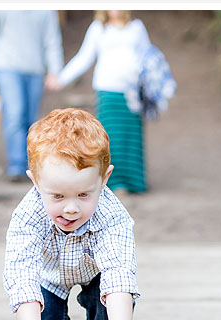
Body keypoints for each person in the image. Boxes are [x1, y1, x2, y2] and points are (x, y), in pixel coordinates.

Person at [3, 108, 140, 320]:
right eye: (56, 196)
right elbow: (21, 274)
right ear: (35, 181)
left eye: (83, 194)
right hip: (48, 274)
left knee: (108, 316)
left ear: (104, 178)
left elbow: (119, 274)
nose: (70, 208)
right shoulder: (27, 216)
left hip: (97, 273)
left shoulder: (112, 217)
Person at [49, 10, 151, 194]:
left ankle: (135, 182)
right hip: (108, 90)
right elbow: (84, 57)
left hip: (132, 92)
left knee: (131, 136)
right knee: (111, 136)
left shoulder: (137, 28)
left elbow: (148, 57)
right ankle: (114, 182)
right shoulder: (98, 28)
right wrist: (62, 78)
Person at [0, 9, 64, 183]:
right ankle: (17, 166)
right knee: (15, 114)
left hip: (35, 70)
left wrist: (55, 71)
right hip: (7, 67)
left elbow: (52, 40)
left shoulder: (46, 10)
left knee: (30, 120)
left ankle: (30, 164)